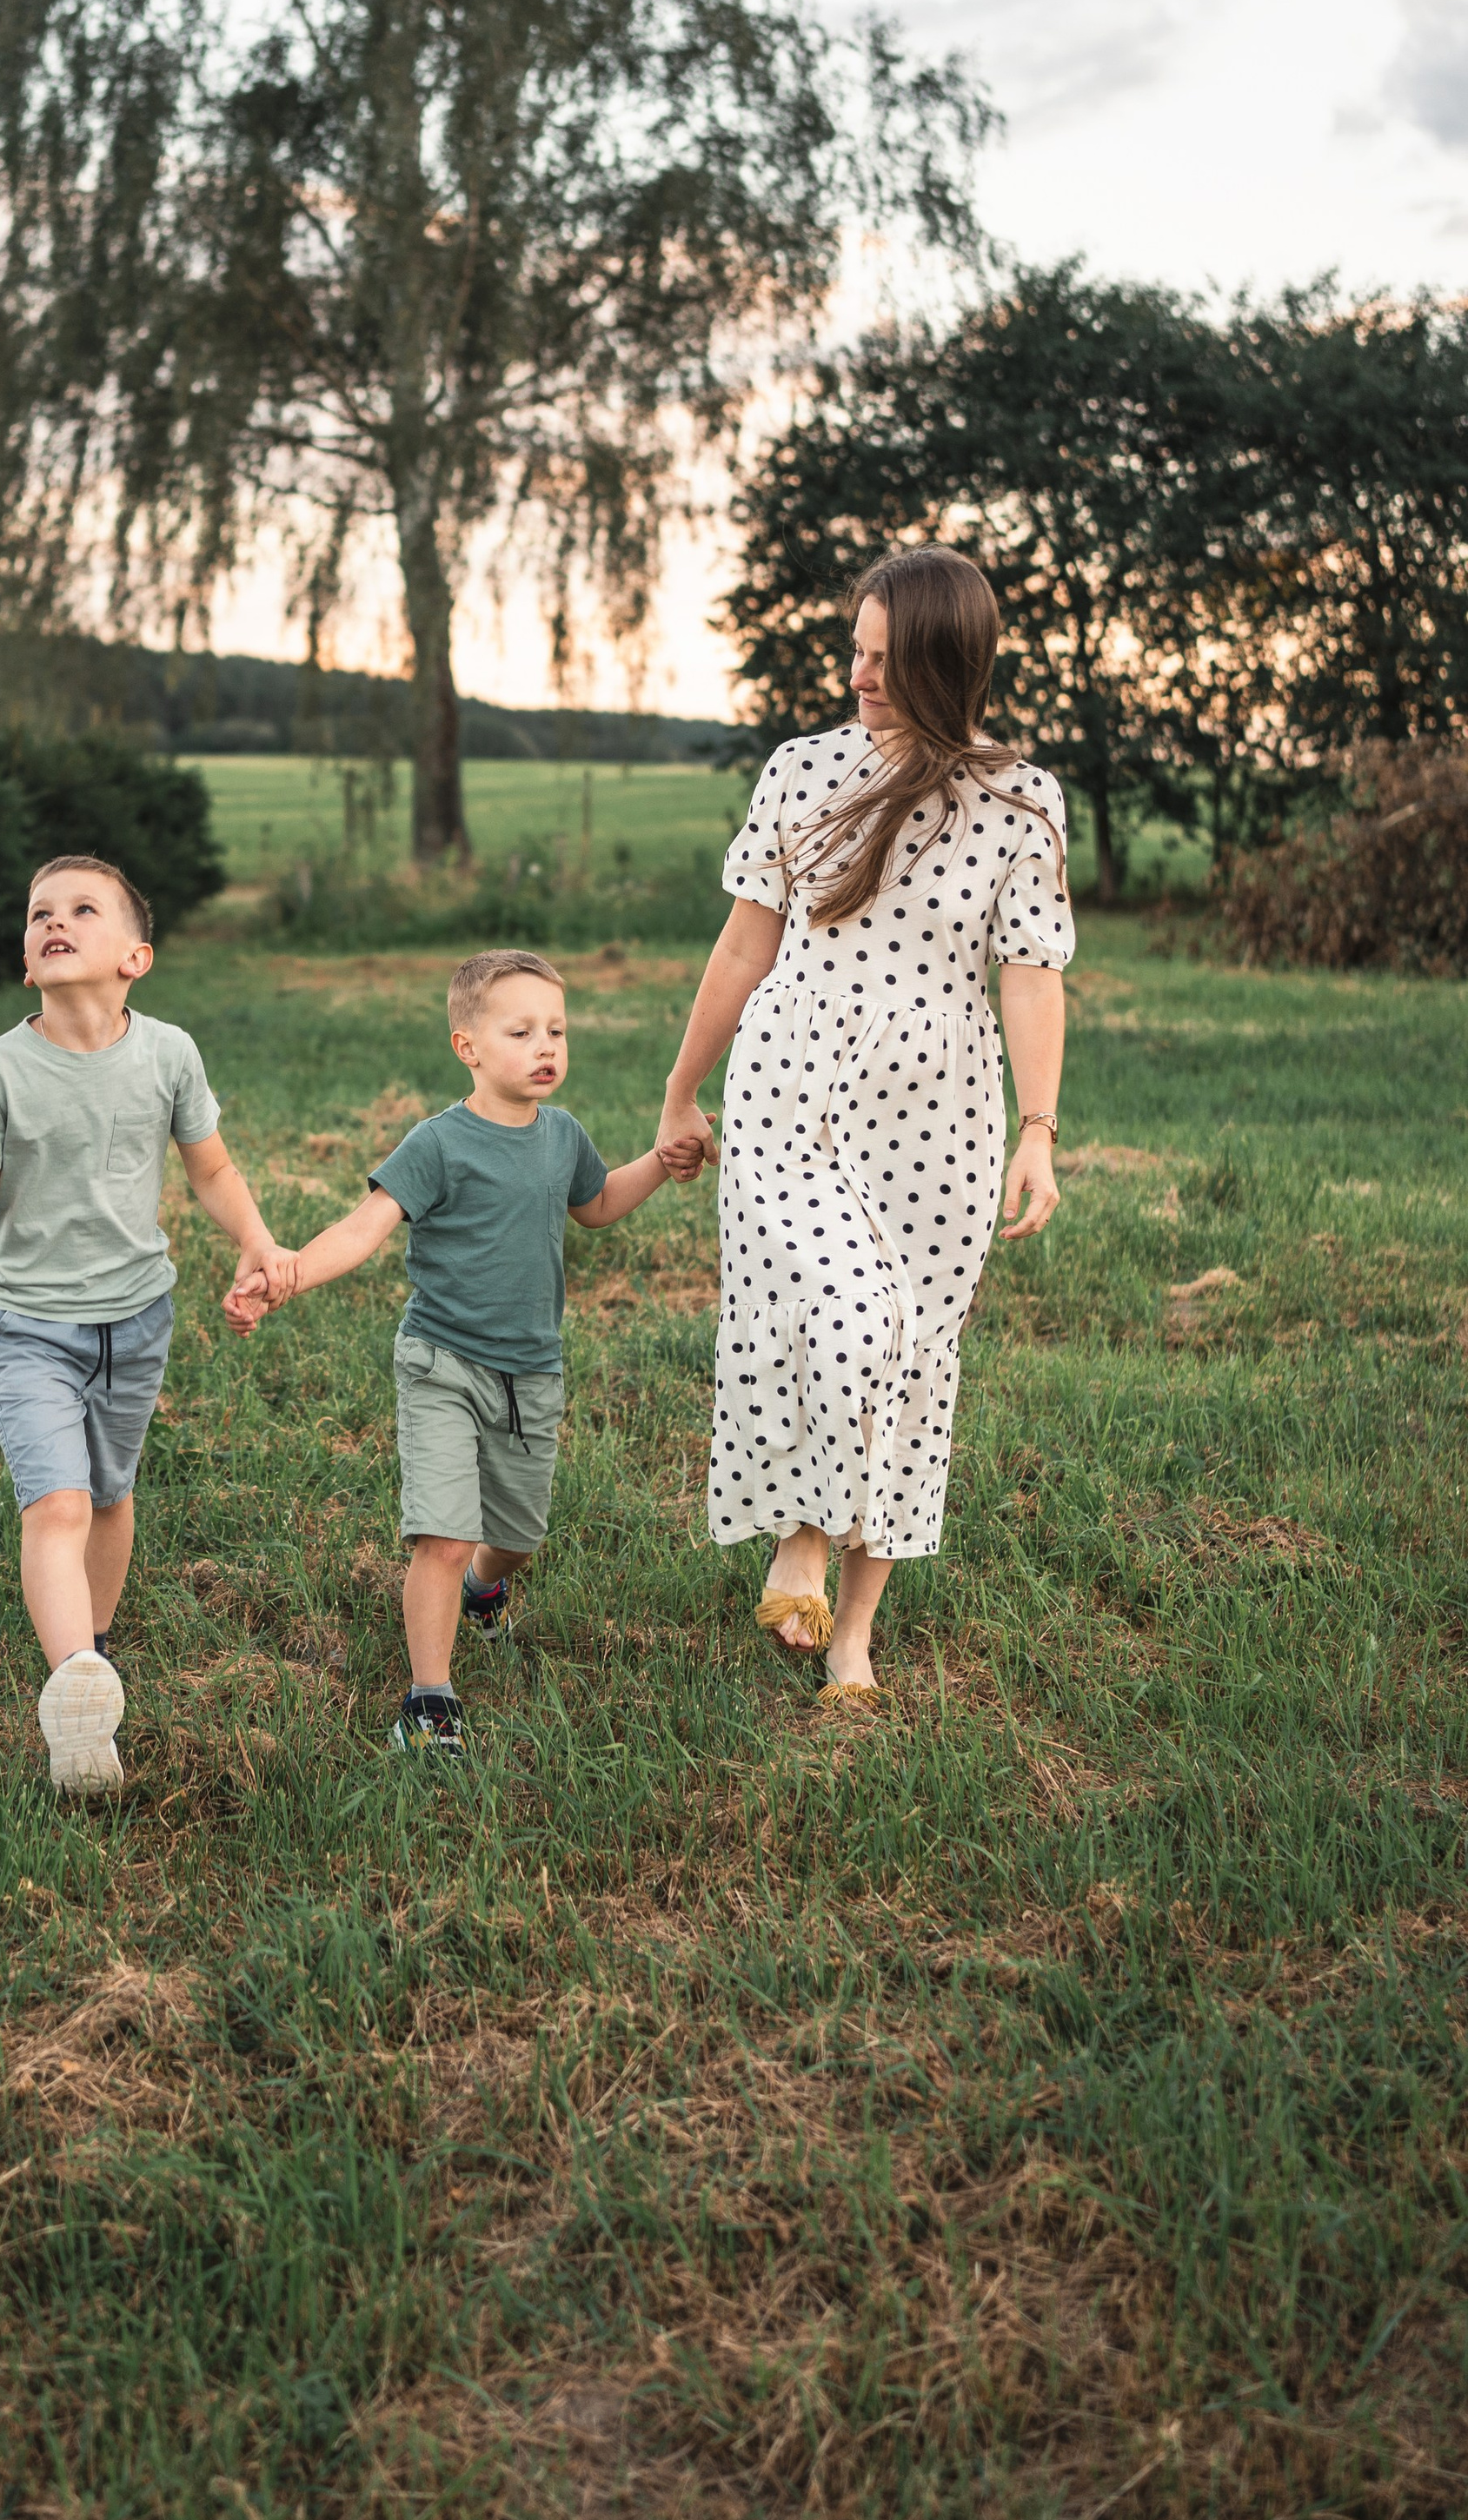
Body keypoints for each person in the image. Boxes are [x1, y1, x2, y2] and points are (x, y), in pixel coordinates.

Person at [654, 546, 1073, 1704]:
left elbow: (1031, 977)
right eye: (855, 650)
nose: (859, 675)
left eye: (885, 658)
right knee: (832, 1313)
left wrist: (1037, 1131)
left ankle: (853, 1631)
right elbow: (745, 944)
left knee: (916, 1357)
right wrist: (683, 1089)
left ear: (947, 663)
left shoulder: (1020, 799)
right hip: (792, 1075)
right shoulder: (802, 772)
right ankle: (801, 1532)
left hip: (940, 1104)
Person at [227, 947, 694, 1763]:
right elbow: (364, 1228)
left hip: (531, 1375)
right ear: (467, 1047)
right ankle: (430, 1701)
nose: (546, 1046)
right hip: (441, 1364)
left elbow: (595, 1207)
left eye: (557, 1030)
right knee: (440, 1535)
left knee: (515, 1535)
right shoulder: (437, 1145)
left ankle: (487, 1585)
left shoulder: (563, 1137)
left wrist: (658, 1163)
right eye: (521, 1032)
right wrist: (290, 1273)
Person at [0, 855, 286, 1799]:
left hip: (136, 1319)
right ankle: (71, 1684)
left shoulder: (168, 1054)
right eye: (40, 912)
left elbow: (210, 1170)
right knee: (59, 1505)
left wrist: (255, 1239)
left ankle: (95, 1659)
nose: (55, 922)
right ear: (28, 959)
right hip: (28, 1326)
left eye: (83, 909)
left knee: (111, 1497)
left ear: (136, 956)